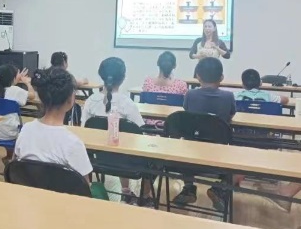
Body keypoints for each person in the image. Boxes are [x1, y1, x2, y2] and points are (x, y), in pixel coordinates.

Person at [174, 57, 236, 209]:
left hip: (190, 156)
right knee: (243, 156)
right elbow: (230, 116)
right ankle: (219, 188)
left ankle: (189, 187)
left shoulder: (190, 95)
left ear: (198, 76)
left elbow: (188, 113)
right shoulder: (228, 97)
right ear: (221, 77)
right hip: (218, 156)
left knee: (188, 141)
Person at [82, 57, 145, 203]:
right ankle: (134, 194)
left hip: (97, 158)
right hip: (126, 161)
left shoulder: (90, 101)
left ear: (101, 75)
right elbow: (140, 134)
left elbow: (85, 130)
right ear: (123, 78)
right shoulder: (127, 104)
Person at [14, 67, 92, 180]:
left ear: (41, 98)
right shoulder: (73, 143)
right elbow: (85, 188)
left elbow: (15, 168)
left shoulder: (25, 130)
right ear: (70, 100)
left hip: (28, 190)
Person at [0, 64, 36, 164]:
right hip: (9, 133)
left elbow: (9, 88)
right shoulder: (16, 91)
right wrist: (27, 83)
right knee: (27, 128)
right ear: (12, 78)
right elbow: (32, 95)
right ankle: (15, 161)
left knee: (6, 122)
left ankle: (9, 157)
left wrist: (16, 78)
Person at [142, 51, 188, 127]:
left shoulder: (148, 82)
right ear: (174, 66)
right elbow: (185, 108)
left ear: (158, 64)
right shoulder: (181, 85)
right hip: (172, 125)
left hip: (149, 126)